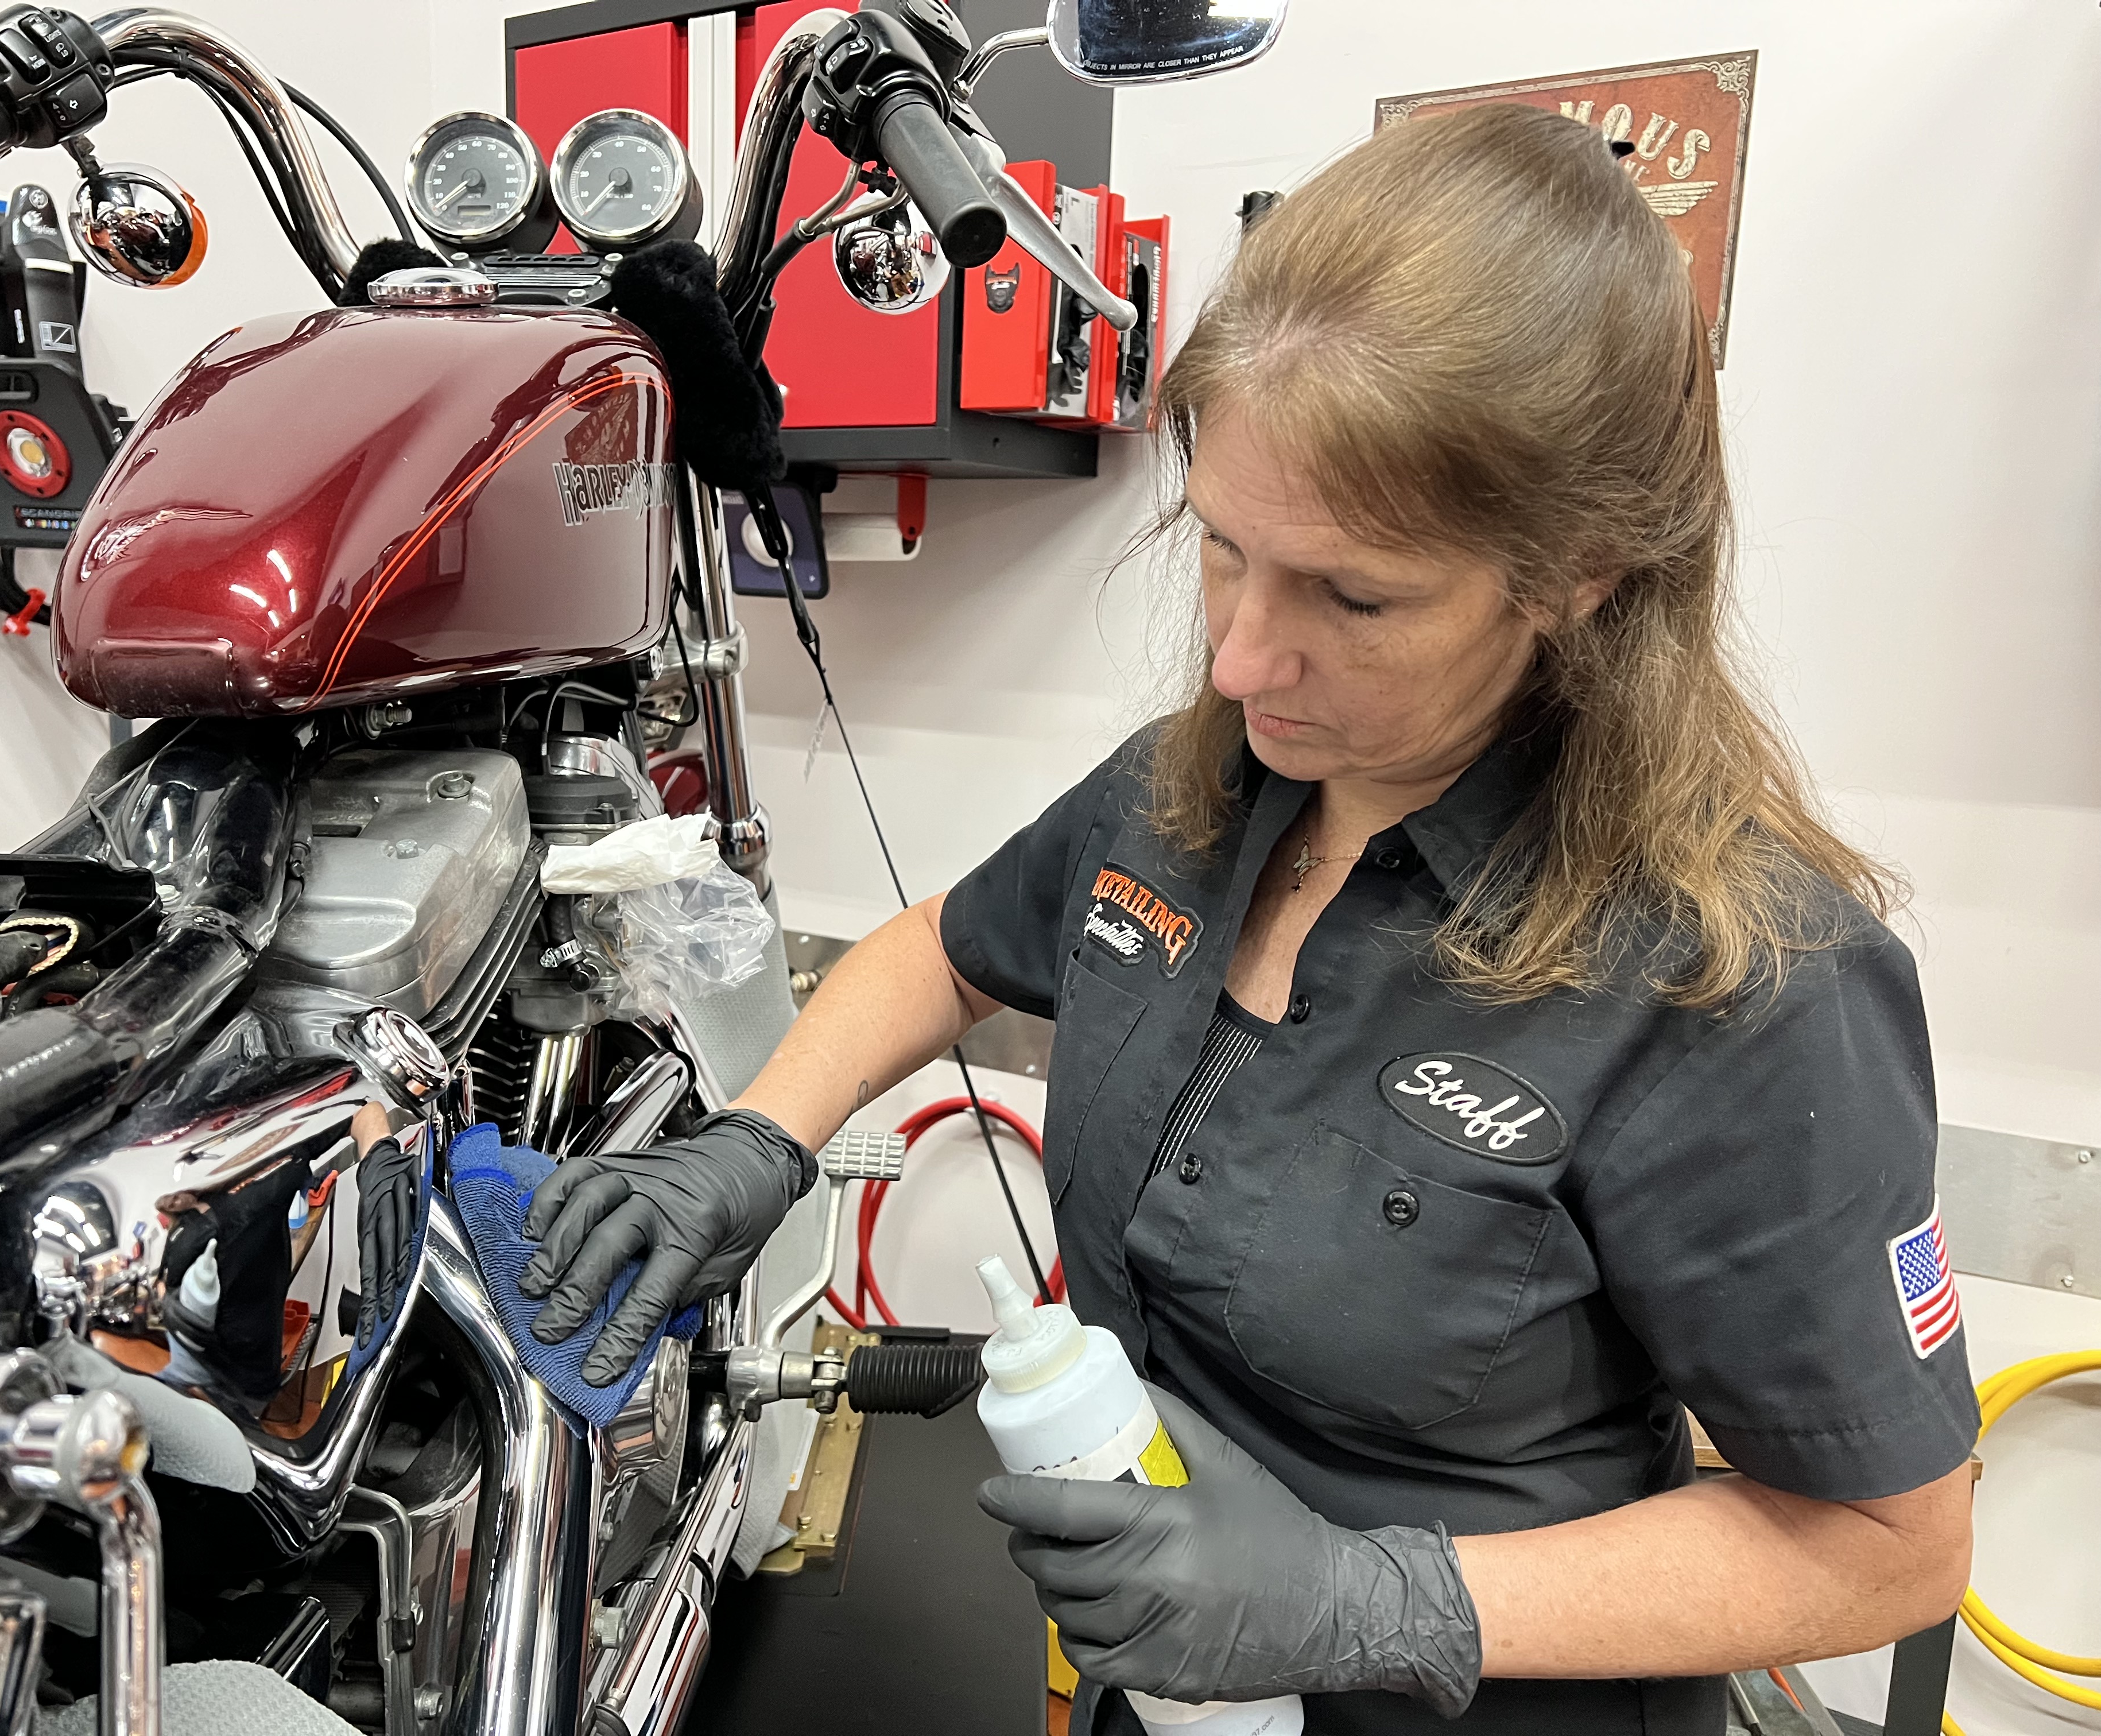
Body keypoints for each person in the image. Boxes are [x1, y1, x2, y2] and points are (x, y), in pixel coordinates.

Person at [519, 104, 1979, 1734]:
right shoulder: (1189, 790)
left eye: (1354, 597)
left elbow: (1884, 1545)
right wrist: (764, 1138)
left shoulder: (1744, 977)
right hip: (1172, 1695)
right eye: (1221, 550)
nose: (1238, 661)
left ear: (1581, 573)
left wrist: (1373, 1601)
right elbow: (945, 945)